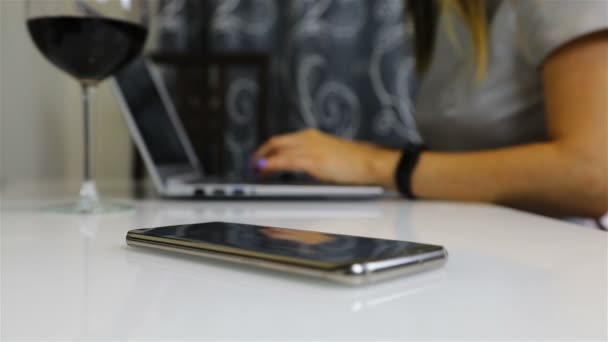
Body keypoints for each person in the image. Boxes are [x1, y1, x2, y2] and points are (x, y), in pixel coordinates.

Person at [253, 0, 608, 219]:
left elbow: (591, 175)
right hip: (486, 244)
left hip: (561, 264)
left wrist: (374, 166)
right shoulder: (455, 14)